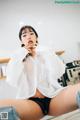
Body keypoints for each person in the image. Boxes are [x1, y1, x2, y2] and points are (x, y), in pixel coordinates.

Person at [0, 25, 80, 120]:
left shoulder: (45, 52)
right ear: (21, 41)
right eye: (24, 35)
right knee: (3, 113)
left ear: (36, 37)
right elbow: (12, 80)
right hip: (31, 103)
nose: (29, 36)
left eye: (31, 33)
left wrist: (46, 52)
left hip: (54, 98)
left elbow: (59, 72)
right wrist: (20, 55)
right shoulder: (17, 57)